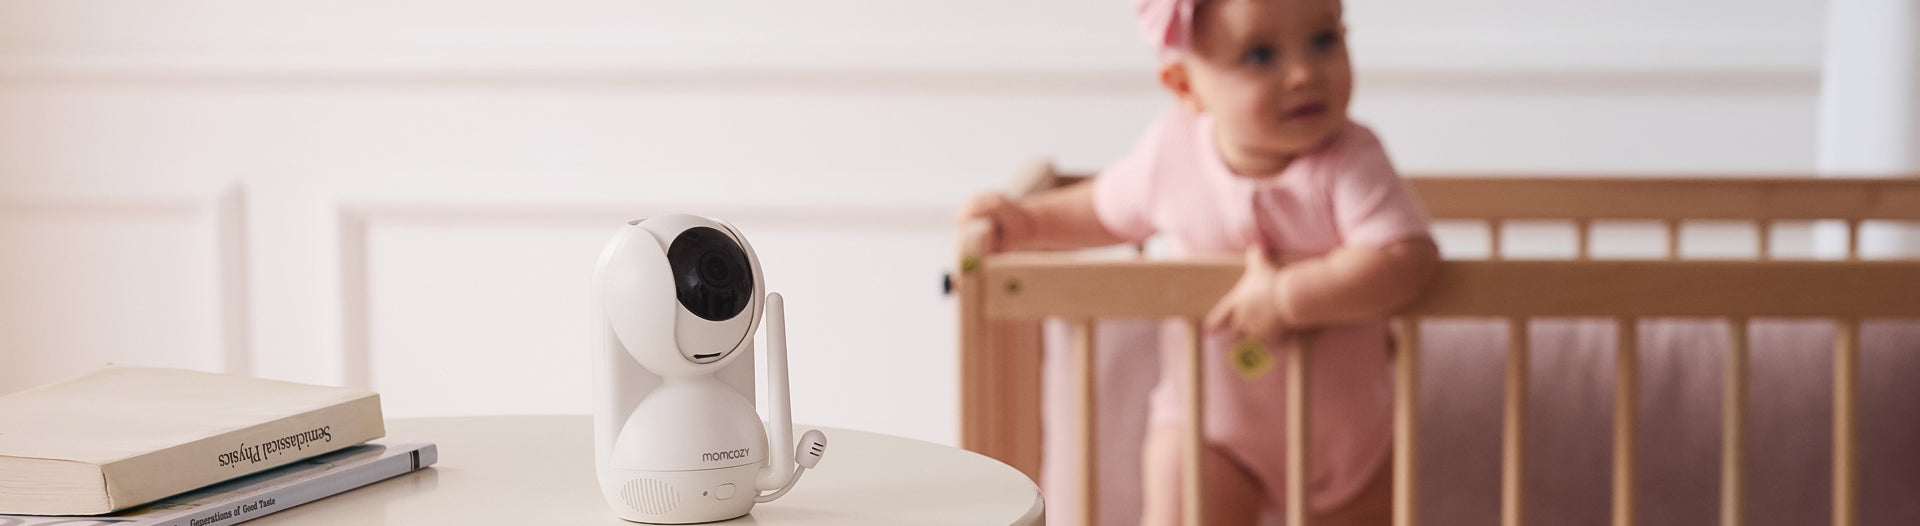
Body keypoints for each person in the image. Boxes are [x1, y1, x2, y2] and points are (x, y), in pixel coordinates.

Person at [957, 0, 1440, 524]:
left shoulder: (1352, 160)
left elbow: (1406, 257)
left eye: (1324, 41)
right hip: (1209, 431)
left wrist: (1286, 297)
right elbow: (1101, 208)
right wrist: (1026, 224)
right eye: (1260, 55)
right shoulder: (1174, 154)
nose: (1304, 73)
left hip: (1350, 440)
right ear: (1185, 85)